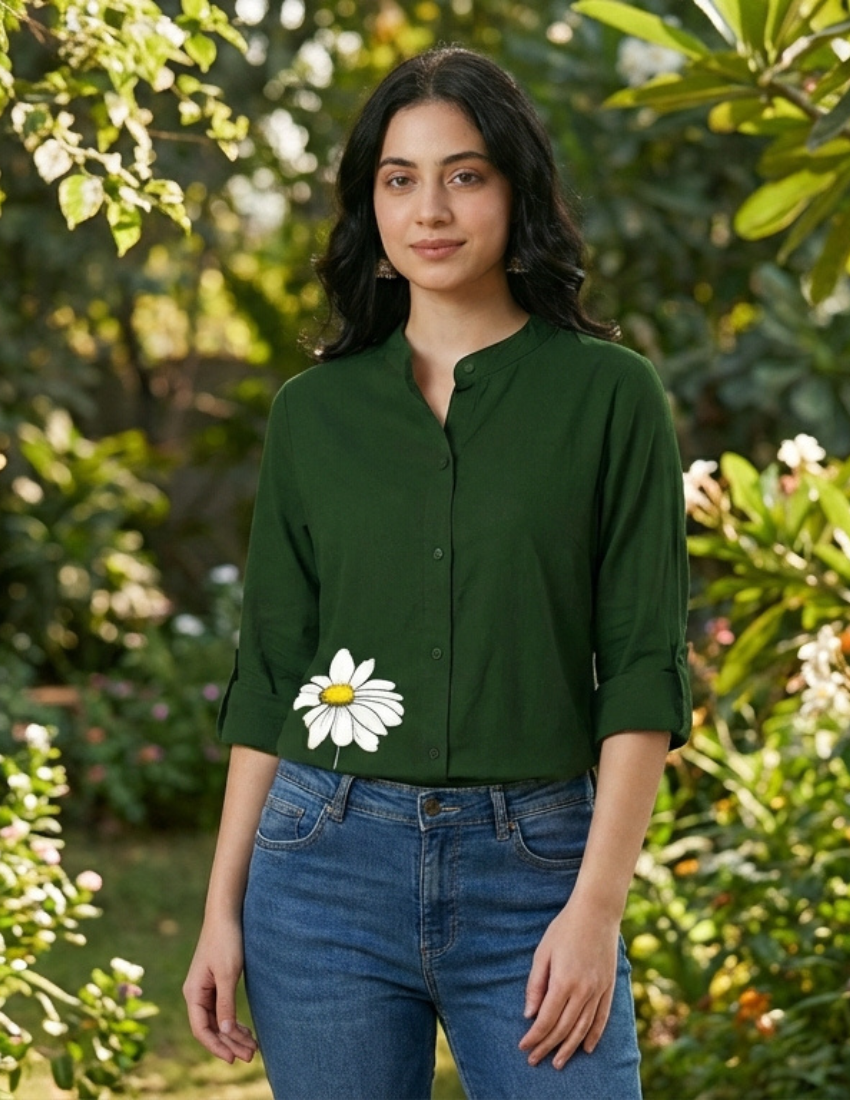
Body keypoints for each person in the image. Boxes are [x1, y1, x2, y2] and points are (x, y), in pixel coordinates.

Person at [183, 45, 691, 1100]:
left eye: (465, 174)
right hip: (320, 867)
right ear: (369, 204)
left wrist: (596, 908)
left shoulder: (611, 396)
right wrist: (220, 909)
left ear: (516, 188)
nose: (431, 209)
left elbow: (643, 666)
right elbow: (270, 671)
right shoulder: (313, 415)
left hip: (537, 871)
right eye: (399, 179)